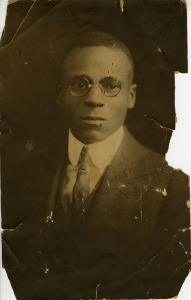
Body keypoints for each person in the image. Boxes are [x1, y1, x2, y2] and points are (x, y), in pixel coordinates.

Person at [2, 31, 190, 300]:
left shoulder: (174, 188)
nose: (94, 99)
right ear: (58, 93)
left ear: (131, 96)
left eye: (110, 84)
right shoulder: (18, 176)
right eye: (79, 84)